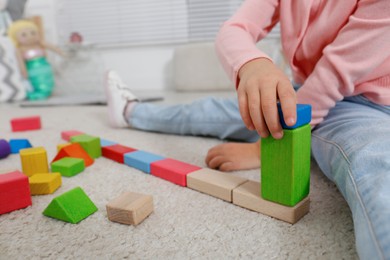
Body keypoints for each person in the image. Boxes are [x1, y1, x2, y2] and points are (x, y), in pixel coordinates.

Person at [105, 1, 390, 259]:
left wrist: (264, 149)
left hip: (368, 105)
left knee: (374, 162)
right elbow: (234, 29)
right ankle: (132, 111)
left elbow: (335, 75)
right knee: (213, 110)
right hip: (301, 93)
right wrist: (251, 64)